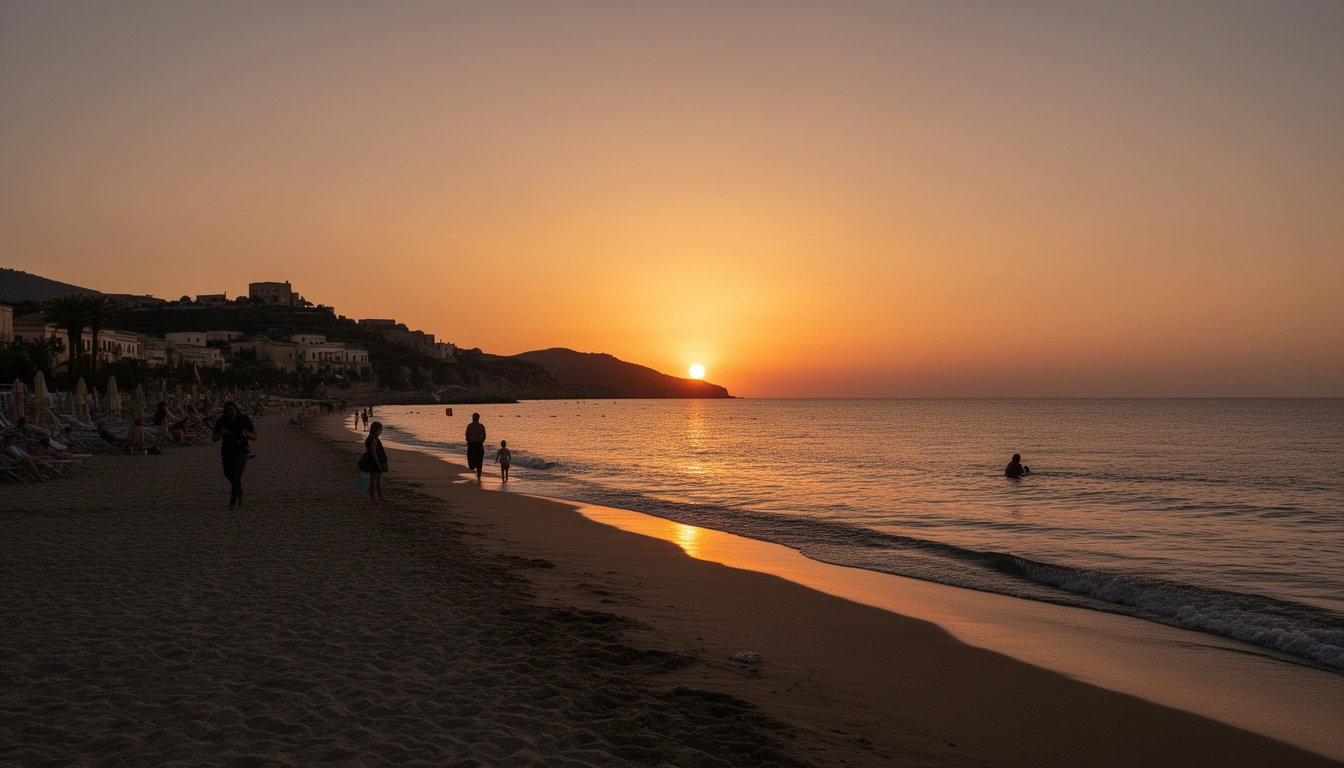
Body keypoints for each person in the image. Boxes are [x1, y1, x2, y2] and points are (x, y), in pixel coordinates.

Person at [212, 400, 257, 508]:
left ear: (236, 409)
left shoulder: (244, 419)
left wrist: (247, 435)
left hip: (241, 451)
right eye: (228, 410)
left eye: (231, 409)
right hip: (226, 451)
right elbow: (213, 438)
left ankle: (232, 503)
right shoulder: (222, 421)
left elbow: (255, 437)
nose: (230, 412)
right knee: (228, 474)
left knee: (237, 476)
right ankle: (240, 491)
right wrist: (221, 433)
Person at [360, 421, 389, 502]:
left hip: (374, 461)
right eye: (380, 430)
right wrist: (378, 464)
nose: (381, 432)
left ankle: (380, 496)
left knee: (377, 480)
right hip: (374, 462)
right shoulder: (373, 440)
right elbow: (373, 452)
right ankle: (373, 498)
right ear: (377, 430)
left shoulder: (370, 437)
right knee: (374, 481)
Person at [465, 413, 486, 482]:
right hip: (474, 444)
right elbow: (484, 436)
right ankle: (476, 468)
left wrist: (481, 441)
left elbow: (467, 436)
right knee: (476, 461)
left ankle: (478, 472)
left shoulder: (478, 426)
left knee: (478, 460)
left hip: (476, 444)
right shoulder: (471, 426)